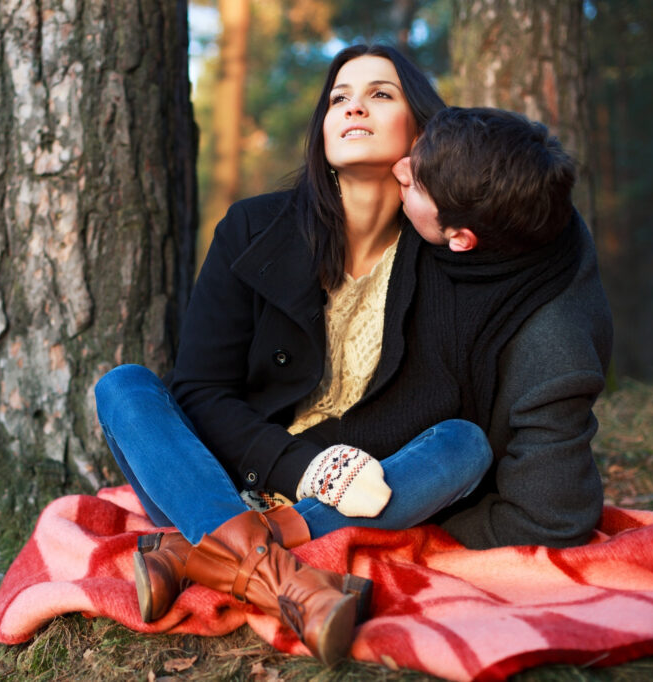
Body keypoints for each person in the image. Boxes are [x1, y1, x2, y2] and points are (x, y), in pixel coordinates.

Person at [94, 47, 612, 664]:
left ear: (422, 136)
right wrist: (305, 471)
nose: (354, 105)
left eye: (382, 94)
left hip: (363, 494)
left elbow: (538, 220)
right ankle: (284, 579)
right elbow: (201, 394)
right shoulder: (252, 229)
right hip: (223, 481)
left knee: (463, 445)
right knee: (123, 388)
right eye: (339, 97)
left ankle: (197, 553)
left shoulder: (449, 255)